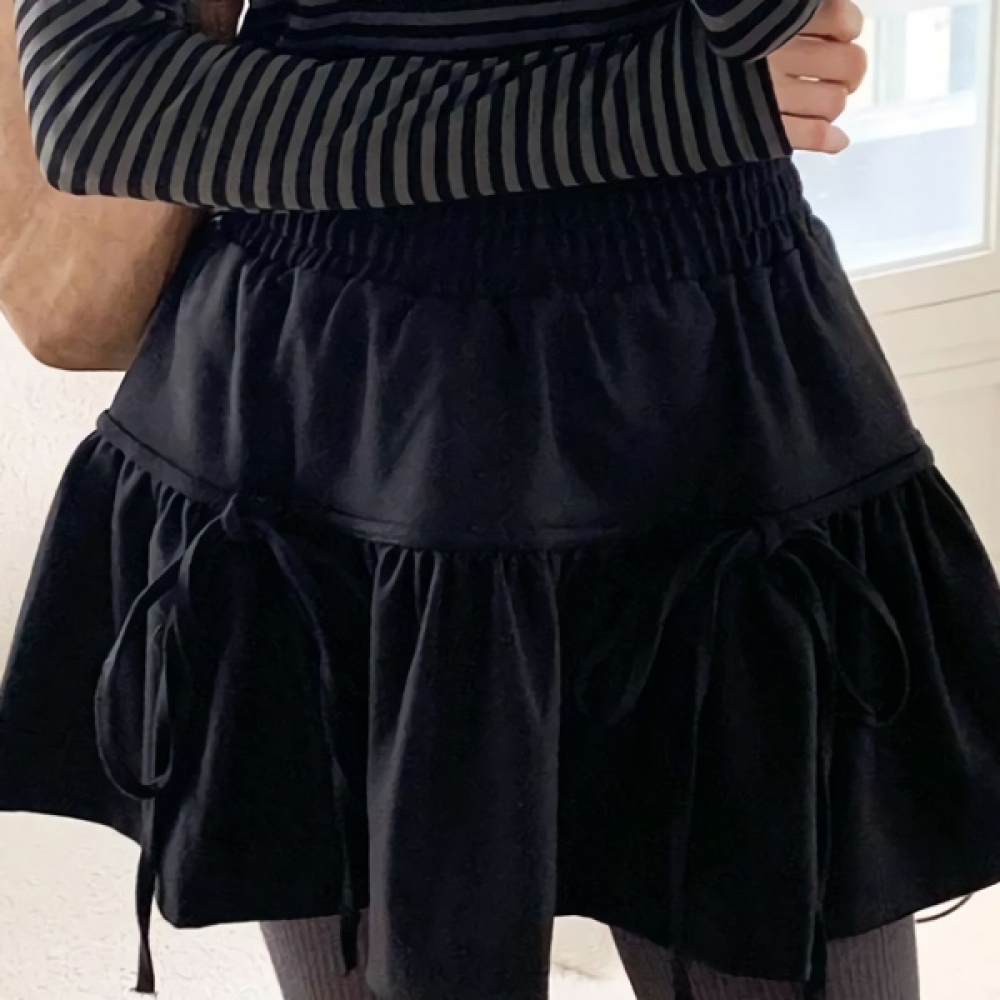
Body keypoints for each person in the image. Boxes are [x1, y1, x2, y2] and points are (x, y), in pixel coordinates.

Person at [3, 0, 1000, 998]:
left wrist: (681, 103)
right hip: (340, 426)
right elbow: (104, 108)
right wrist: (661, 108)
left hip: (706, 407)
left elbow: (772, 24)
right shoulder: (685, 109)